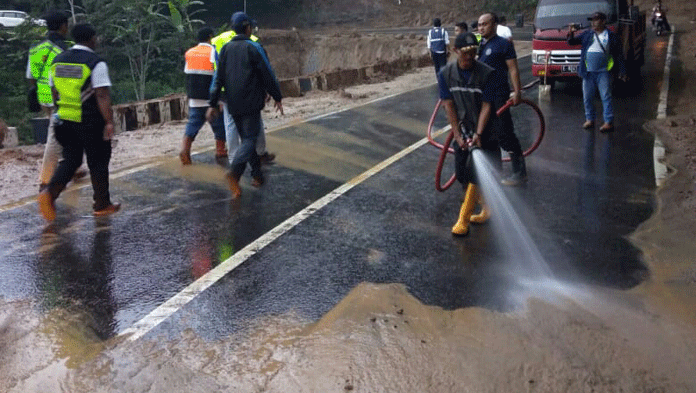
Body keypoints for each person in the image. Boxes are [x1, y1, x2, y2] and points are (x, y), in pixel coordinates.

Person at [37, 24, 120, 221]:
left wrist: (61, 112)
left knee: (71, 160)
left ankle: (49, 194)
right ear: (92, 39)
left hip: (64, 121)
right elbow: (101, 95)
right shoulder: (95, 63)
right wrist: (109, 122)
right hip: (90, 122)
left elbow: (55, 92)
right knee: (98, 162)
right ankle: (101, 204)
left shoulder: (57, 61)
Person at [207, 12, 283, 199]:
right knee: (250, 139)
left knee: (246, 139)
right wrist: (277, 96)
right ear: (248, 28)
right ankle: (235, 173)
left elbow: (218, 78)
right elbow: (267, 74)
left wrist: (213, 102)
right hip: (250, 102)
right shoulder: (253, 47)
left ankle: (257, 175)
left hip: (231, 102)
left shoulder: (224, 49)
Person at [437, 32, 501, 236]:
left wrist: (479, 133)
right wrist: (457, 135)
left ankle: (463, 220)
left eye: (474, 52)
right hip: (463, 128)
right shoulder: (445, 74)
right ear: (456, 51)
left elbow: (487, 105)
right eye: (465, 53)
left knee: (476, 174)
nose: (470, 57)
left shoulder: (486, 73)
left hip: (486, 130)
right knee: (462, 174)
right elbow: (448, 105)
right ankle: (488, 208)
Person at [27, 10, 86, 192]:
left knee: (64, 131)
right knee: (55, 135)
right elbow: (74, 74)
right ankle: (46, 179)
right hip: (60, 96)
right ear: (63, 26)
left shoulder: (36, 48)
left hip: (43, 96)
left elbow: (31, 76)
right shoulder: (66, 48)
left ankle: (72, 167)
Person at [212, 21, 276, 166]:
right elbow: (264, 70)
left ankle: (233, 157)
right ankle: (260, 153)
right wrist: (267, 91)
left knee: (230, 124)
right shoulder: (252, 42)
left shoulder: (218, 40)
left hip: (225, 90)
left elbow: (215, 69)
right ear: (247, 28)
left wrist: (213, 98)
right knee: (255, 122)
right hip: (249, 90)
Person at [477, 12, 527, 186]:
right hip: (485, 97)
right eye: (479, 24)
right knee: (488, 135)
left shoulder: (503, 44)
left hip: (499, 95)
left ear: (494, 24)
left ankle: (519, 173)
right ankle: (494, 171)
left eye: (485, 24)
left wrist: (517, 91)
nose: (481, 28)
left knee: (505, 132)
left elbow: (513, 69)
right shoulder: (481, 45)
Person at [568, 11, 627, 132]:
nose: (593, 23)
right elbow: (572, 42)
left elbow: (619, 55)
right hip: (588, 72)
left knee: (605, 96)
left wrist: (622, 71)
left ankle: (608, 121)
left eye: (596, 20)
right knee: (587, 97)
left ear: (603, 21)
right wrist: (570, 34)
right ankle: (590, 119)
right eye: (592, 20)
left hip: (603, 72)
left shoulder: (611, 36)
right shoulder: (587, 34)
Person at [180, 27, 227, 165]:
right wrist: (219, 98)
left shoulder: (189, 53)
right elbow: (217, 76)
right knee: (219, 125)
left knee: (193, 124)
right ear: (210, 37)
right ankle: (220, 150)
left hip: (194, 98)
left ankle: (185, 149)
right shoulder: (214, 51)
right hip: (210, 99)